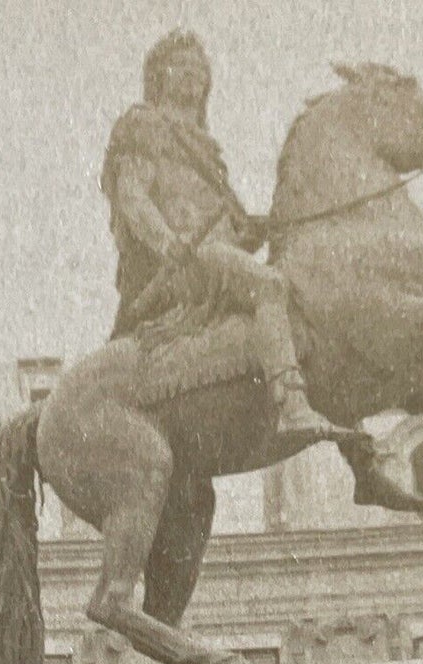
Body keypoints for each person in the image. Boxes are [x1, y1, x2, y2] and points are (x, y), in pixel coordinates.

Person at [101, 30, 355, 450]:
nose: (195, 75)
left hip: (215, 257)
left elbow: (229, 235)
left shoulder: (205, 148)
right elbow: (132, 195)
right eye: (183, 66)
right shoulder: (144, 125)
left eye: (201, 69)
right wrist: (169, 244)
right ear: (160, 75)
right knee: (269, 285)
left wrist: (250, 233)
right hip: (183, 266)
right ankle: (291, 405)